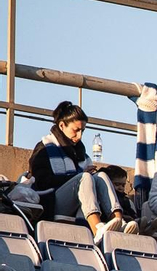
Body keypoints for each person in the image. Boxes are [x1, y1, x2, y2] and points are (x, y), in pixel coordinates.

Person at [28, 101, 143, 240]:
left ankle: (120, 222)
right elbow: (41, 181)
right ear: (62, 125)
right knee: (85, 178)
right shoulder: (44, 148)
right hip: (51, 202)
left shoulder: (82, 154)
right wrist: (77, 176)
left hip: (78, 203)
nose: (80, 136)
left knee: (101, 175)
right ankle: (97, 228)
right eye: (76, 130)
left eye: (82, 131)